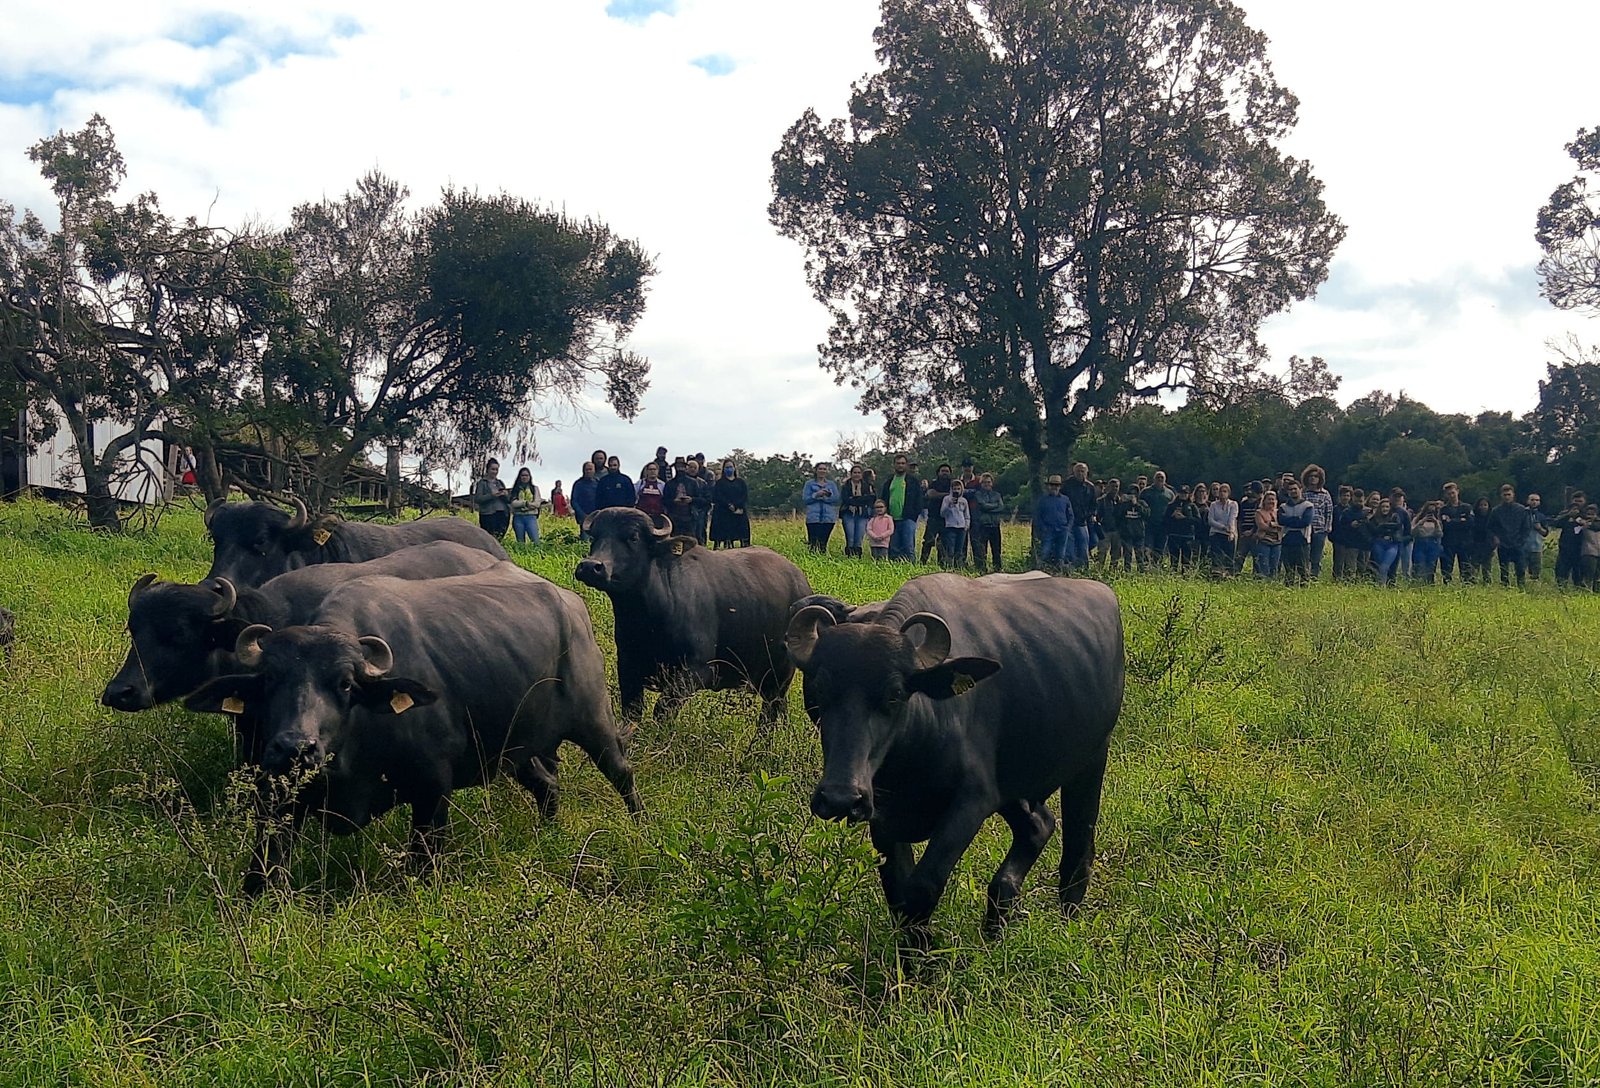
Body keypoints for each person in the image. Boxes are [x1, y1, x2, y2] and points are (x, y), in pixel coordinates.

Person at [879, 454, 925, 562]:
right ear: (894, 465)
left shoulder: (913, 481)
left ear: (906, 465)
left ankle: (910, 568)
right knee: (893, 547)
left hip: (908, 519)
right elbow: (883, 499)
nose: (900, 466)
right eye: (898, 463)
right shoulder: (889, 482)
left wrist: (914, 515)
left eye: (903, 463)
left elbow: (919, 500)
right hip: (891, 519)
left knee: (908, 547)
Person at [1487, 483, 1534, 587]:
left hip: (1518, 544)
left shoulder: (1521, 510)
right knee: (1503, 570)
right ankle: (1505, 588)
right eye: (1505, 495)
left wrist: (1521, 540)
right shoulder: (1496, 511)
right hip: (1503, 544)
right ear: (1501, 496)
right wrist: (1495, 538)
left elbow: (1526, 527)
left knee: (1520, 569)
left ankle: (1521, 589)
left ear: (1513, 495)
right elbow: (1490, 527)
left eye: (1509, 494)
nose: (1507, 497)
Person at [666, 457, 711, 542]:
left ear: (685, 467)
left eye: (682, 466)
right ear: (674, 468)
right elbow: (665, 501)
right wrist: (674, 501)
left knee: (691, 542)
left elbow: (702, 500)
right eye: (678, 466)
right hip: (674, 518)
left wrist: (691, 500)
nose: (680, 469)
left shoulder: (693, 482)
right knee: (675, 542)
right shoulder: (669, 484)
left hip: (690, 517)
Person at [1278, 482, 1315, 586]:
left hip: (1302, 541)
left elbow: (1305, 522)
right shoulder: (1283, 507)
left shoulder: (1308, 506)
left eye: (1295, 489)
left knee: (1303, 571)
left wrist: (1289, 520)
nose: (1293, 491)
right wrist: (1297, 519)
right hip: (1287, 542)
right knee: (1289, 571)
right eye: (1290, 489)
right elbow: (1281, 520)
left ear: (1301, 489)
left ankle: (1304, 594)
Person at [1301, 465, 1334, 580]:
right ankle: (1304, 576)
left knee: (1317, 555)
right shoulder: (1303, 493)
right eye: (1310, 476)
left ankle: (1314, 577)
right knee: (1305, 554)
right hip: (1305, 529)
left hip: (1320, 529)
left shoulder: (1325, 494)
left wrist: (1327, 528)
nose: (1313, 479)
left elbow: (1329, 512)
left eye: (1316, 476)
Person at [1034, 474, 1073, 572]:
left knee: (1061, 554)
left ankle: (1059, 571)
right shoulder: (1043, 500)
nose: (1054, 487)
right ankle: (1041, 570)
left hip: (1062, 530)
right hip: (1048, 530)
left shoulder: (1065, 499)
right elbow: (1038, 516)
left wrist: (1068, 527)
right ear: (1048, 486)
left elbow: (1070, 515)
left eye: (1056, 485)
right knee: (1045, 552)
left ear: (1060, 486)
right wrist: (1043, 528)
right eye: (1052, 485)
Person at [968, 472, 1005, 573]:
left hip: (995, 525)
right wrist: (995, 506)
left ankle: (998, 569)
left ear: (992, 483)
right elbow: (983, 506)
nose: (987, 484)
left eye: (988, 482)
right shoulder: (978, 494)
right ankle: (982, 570)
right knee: (982, 550)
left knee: (996, 550)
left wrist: (990, 507)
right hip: (983, 526)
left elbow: (1001, 507)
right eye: (984, 482)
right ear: (981, 484)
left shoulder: (997, 494)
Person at [1062, 462, 1096, 571]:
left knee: (1085, 546)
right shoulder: (1067, 485)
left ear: (1087, 473)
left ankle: (1084, 570)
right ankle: (1070, 570)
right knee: (1069, 549)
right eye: (1078, 471)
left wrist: (1089, 515)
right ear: (1074, 472)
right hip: (1069, 521)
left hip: (1082, 521)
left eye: (1083, 471)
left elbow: (1094, 504)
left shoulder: (1090, 487)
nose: (1080, 473)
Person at [710, 459, 751, 548]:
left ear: (734, 468)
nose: (729, 469)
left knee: (742, 535)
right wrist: (729, 505)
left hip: (739, 512)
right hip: (723, 513)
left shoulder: (741, 482)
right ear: (723, 469)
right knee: (725, 537)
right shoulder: (720, 483)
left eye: (731, 467)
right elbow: (718, 497)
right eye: (727, 467)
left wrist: (737, 506)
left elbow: (744, 496)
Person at [1438, 482, 1474, 584]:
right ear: (1445, 495)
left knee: (1466, 566)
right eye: (1449, 494)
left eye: (1453, 493)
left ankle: (1466, 586)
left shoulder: (1467, 507)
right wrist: (1461, 520)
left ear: (1457, 491)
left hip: (1465, 541)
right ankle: (1447, 585)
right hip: (1449, 541)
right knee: (1446, 567)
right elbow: (1446, 525)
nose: (1451, 496)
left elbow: (1470, 522)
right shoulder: (1444, 509)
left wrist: (1453, 520)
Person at [838, 464, 875, 558]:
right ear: (851, 474)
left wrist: (855, 500)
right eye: (855, 472)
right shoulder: (846, 485)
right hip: (848, 513)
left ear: (862, 474)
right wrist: (861, 499)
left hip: (862, 514)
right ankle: (849, 556)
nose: (857, 475)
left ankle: (857, 557)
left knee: (859, 537)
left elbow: (871, 498)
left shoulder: (867, 485)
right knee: (850, 536)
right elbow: (845, 499)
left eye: (859, 472)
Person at [921, 464, 955, 564]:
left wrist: (939, 495)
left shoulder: (952, 484)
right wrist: (948, 496)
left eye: (947, 471)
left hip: (947, 519)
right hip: (933, 517)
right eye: (942, 471)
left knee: (943, 543)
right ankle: (922, 562)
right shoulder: (934, 483)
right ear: (938, 472)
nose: (945, 473)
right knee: (928, 541)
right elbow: (930, 494)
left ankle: (941, 565)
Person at [803, 462, 840, 553]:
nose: (822, 471)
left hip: (828, 518)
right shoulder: (809, 484)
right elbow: (805, 499)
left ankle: (822, 560)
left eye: (824, 469)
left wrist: (826, 496)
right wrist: (816, 495)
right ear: (816, 470)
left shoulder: (831, 484)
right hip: (813, 517)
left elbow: (836, 498)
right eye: (820, 469)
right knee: (813, 542)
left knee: (823, 542)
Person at [1141, 471, 1175, 569]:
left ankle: (1157, 568)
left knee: (1159, 549)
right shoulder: (1146, 492)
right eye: (1158, 477)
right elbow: (1140, 506)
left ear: (1165, 480)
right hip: (1149, 525)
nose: (1160, 479)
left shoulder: (1170, 493)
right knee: (1147, 548)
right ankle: (1146, 568)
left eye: (1162, 478)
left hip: (1163, 526)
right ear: (1154, 479)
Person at [1553, 491, 1589, 586]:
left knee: (1579, 575)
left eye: (1580, 501)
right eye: (1575, 501)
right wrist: (1568, 515)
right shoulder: (1565, 513)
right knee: (1561, 573)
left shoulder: (1588, 514)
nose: (1577, 503)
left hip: (1581, 549)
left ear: (1584, 502)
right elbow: (1556, 523)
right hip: (1565, 549)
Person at [1162, 484, 1200, 572]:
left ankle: (1185, 575)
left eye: (1185, 493)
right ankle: (1174, 574)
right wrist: (1172, 516)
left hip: (1187, 536)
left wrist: (1185, 518)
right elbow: (1165, 520)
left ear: (1189, 494)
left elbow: (1198, 521)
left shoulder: (1192, 506)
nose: (1183, 495)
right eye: (1181, 493)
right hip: (1174, 535)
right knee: (1174, 559)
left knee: (1186, 560)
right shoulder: (1171, 505)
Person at [1368, 497, 1406, 586]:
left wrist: (1383, 526)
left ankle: (1383, 586)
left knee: (1385, 566)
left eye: (1387, 507)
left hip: (1392, 544)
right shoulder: (1375, 518)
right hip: (1379, 543)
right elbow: (1374, 530)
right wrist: (1384, 527)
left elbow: (1397, 526)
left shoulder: (1395, 516)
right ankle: (1380, 585)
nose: (1385, 509)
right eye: (1383, 507)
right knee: (1379, 566)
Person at [1331, 486, 1366, 582]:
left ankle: (1358, 583)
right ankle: (1338, 581)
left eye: (1348, 495)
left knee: (1360, 565)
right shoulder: (1340, 510)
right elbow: (1337, 525)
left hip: (1359, 541)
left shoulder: (1365, 511)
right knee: (1341, 564)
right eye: (1343, 495)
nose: (1346, 497)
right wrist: (1350, 525)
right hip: (1342, 540)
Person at [472, 458, 510, 540]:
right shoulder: (482, 483)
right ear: (488, 470)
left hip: (502, 513)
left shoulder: (500, 483)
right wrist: (491, 495)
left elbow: (508, 500)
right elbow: (478, 499)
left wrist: (505, 494)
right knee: (489, 538)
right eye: (493, 469)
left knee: (499, 537)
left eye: (496, 469)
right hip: (488, 514)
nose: (495, 472)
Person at [1114, 484, 1149, 572]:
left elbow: (1147, 514)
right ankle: (1127, 571)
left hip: (1139, 533)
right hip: (1126, 533)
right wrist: (1123, 503)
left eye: (1135, 493)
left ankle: (1141, 571)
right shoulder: (1123, 504)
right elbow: (1117, 515)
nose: (1132, 495)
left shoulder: (1142, 503)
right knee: (1127, 554)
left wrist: (1136, 504)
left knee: (1139, 553)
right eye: (1130, 493)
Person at [1207, 481, 1238, 575]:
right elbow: (1210, 520)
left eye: (1224, 491)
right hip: (1216, 533)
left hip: (1228, 533)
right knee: (1217, 555)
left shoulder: (1233, 504)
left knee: (1229, 556)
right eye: (1220, 491)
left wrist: (1231, 532)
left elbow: (1232, 518)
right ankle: (1217, 574)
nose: (1222, 493)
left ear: (1228, 493)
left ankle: (1228, 574)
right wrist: (1223, 527)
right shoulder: (1213, 505)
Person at [939, 479, 971, 569]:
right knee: (950, 549)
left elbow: (967, 515)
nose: (956, 490)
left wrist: (966, 526)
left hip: (961, 528)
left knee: (959, 550)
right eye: (954, 488)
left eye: (958, 488)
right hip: (950, 527)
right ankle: (949, 567)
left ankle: (958, 567)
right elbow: (942, 513)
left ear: (961, 489)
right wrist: (949, 505)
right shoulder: (946, 499)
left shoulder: (964, 501)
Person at [1410, 499, 1444, 583]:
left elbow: (1439, 534)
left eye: (1433, 511)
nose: (1430, 513)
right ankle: (1417, 583)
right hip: (1420, 543)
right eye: (1428, 511)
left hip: (1433, 544)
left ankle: (1429, 583)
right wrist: (1421, 522)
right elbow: (1412, 532)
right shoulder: (1417, 519)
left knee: (1431, 566)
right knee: (1419, 565)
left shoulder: (1438, 521)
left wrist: (1436, 523)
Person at [509, 467, 542, 546]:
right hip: (518, 517)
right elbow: (513, 503)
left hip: (531, 517)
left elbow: (537, 503)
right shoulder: (515, 489)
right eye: (523, 475)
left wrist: (522, 505)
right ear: (519, 477)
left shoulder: (534, 488)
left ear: (530, 477)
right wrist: (526, 504)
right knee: (520, 542)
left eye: (526, 475)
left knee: (536, 541)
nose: (524, 477)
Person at [1253, 489, 1282, 578]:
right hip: (1264, 541)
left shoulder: (1279, 512)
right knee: (1264, 564)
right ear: (1264, 501)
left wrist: (1272, 525)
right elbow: (1261, 526)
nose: (1271, 501)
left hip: (1277, 542)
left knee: (1275, 565)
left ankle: (1273, 582)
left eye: (1273, 499)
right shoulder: (1259, 512)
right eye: (1269, 499)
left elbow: (1283, 525)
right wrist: (1274, 527)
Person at [1096, 480, 1122, 570]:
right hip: (1104, 530)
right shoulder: (1101, 501)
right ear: (1108, 487)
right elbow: (1097, 516)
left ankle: (1113, 571)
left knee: (1116, 553)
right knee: (1102, 552)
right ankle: (1099, 571)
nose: (1114, 488)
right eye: (1112, 486)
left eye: (1116, 486)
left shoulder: (1121, 501)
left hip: (1117, 530)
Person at [1468, 497, 1495, 582]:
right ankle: (1473, 584)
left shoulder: (1492, 518)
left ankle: (1487, 584)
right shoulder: (1473, 518)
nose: (1483, 507)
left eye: (1485, 505)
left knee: (1487, 569)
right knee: (1474, 569)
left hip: (1488, 546)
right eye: (1481, 505)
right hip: (1475, 545)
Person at [1524, 493, 1550, 582]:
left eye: (1537, 500)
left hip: (1536, 548)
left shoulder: (1541, 516)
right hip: (1523, 547)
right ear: (1527, 501)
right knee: (1522, 571)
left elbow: (1545, 533)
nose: (1534, 502)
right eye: (1532, 500)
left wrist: (1539, 528)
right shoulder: (1522, 514)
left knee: (1535, 572)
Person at [571, 462, 599, 540]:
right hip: (583, 517)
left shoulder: (598, 483)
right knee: (585, 541)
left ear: (594, 470)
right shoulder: (578, 484)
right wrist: (582, 515)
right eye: (587, 469)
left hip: (597, 516)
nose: (588, 471)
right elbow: (574, 501)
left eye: (590, 469)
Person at [1579, 504, 1600, 590]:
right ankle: (1587, 592)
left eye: (1592, 514)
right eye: (1588, 514)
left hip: (1597, 552)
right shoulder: (1582, 523)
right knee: (1588, 576)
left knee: (1598, 577)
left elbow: (1596, 526)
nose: (1590, 516)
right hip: (1589, 552)